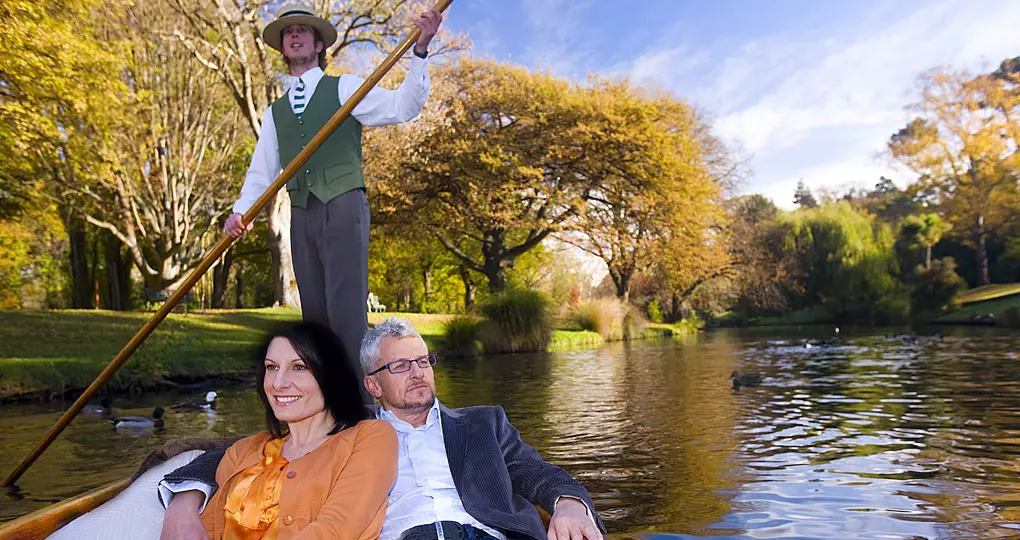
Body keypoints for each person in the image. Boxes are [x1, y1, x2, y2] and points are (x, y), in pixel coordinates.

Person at [160, 318, 606, 540]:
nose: (417, 373)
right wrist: (185, 498)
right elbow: (233, 453)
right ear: (373, 384)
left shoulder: (482, 423)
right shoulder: (348, 434)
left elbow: (537, 471)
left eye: (423, 361)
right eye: (399, 366)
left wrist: (568, 504)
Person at [223, 1, 443, 403]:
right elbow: (261, 171)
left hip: (343, 206)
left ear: (319, 42)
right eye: (288, 32)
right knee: (316, 322)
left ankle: (361, 413)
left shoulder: (344, 88)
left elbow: (402, 107)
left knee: (347, 317)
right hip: (302, 213)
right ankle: (328, 412)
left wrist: (421, 50)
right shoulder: (275, 113)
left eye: (303, 30)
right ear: (281, 47)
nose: (294, 35)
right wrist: (241, 210)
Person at [160, 322, 397, 539]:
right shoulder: (244, 451)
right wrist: (182, 502)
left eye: (299, 367)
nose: (278, 383)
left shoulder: (371, 437)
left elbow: (336, 529)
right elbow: (209, 528)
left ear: (331, 377)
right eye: (271, 367)